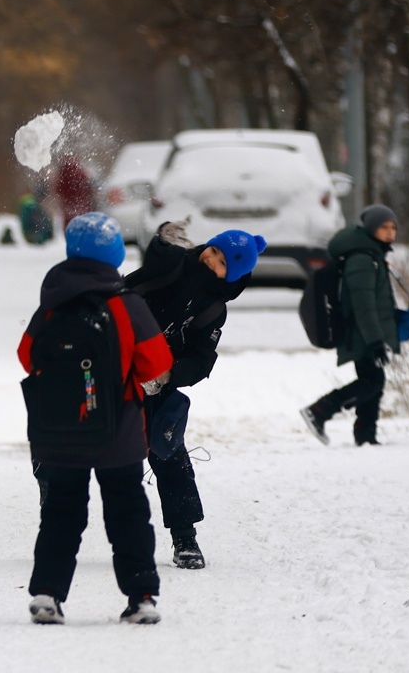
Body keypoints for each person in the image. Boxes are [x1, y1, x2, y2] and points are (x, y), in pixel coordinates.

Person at [18, 213, 173, 626]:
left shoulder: (51, 304)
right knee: (127, 514)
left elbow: (26, 355)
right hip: (117, 434)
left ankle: (47, 594)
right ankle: (141, 596)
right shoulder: (125, 305)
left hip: (58, 434)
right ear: (115, 255)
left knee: (60, 515)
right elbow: (158, 362)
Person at [123, 221, 266, 570]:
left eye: (221, 261)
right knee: (95, 439)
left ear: (231, 276)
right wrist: (163, 237)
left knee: (169, 454)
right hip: (119, 359)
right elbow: (158, 256)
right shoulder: (178, 262)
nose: (210, 259)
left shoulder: (214, 309)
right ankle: (57, 502)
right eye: (212, 250)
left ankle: (185, 537)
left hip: (157, 380)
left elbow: (202, 360)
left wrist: (171, 373)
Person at [300, 205, 401, 447]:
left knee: (373, 379)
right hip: (361, 333)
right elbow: (363, 305)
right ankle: (320, 410)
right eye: (383, 227)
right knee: (372, 381)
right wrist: (376, 341)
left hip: (365, 332)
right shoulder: (362, 260)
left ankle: (365, 435)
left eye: (393, 227)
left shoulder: (371, 255)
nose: (389, 232)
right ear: (371, 229)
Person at [52, 156, 96, 228]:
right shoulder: (81, 174)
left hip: (69, 212)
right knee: (86, 228)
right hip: (83, 209)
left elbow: (57, 191)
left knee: (71, 229)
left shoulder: (61, 177)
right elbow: (89, 188)